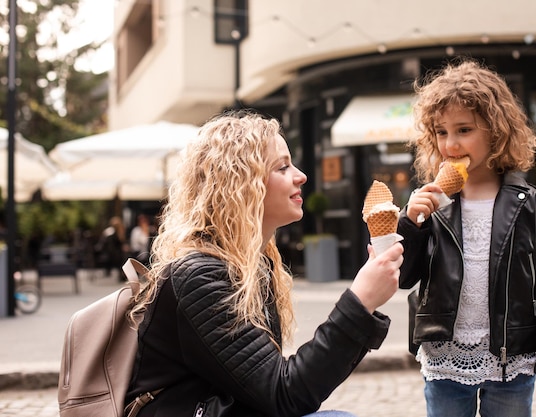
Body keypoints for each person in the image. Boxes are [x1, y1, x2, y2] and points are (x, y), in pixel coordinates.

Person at [124, 110, 404, 417]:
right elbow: (284, 395)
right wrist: (360, 302)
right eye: (283, 167)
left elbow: (275, 390)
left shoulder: (255, 264)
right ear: (240, 185)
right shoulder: (198, 277)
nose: (301, 175)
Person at [398, 59, 536, 417]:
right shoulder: (431, 200)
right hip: (446, 357)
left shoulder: (528, 202)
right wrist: (411, 224)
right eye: (441, 132)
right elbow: (404, 278)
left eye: (463, 130)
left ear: (495, 131)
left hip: (511, 358)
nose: (450, 144)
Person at [96, 216, 127, 280]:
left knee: (126, 255)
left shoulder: (120, 232)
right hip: (112, 252)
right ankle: (122, 274)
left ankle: (123, 274)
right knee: (123, 256)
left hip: (116, 251)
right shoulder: (110, 233)